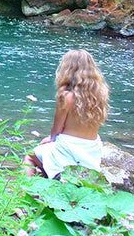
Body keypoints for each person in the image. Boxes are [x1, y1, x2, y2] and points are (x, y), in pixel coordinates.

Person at [23, 49, 109, 179]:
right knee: (47, 155)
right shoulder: (100, 95)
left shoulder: (66, 95)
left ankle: (27, 193)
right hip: (92, 149)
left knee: (30, 156)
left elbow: (57, 129)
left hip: (68, 149)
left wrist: (49, 140)